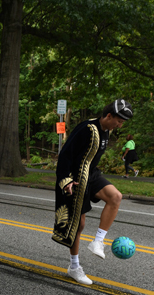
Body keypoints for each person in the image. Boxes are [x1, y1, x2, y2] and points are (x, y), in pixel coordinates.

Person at [52, 99, 133, 285]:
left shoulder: (106, 131)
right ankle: (74, 267)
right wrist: (66, 180)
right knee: (78, 225)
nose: (120, 125)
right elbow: (65, 155)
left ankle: (98, 241)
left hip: (91, 175)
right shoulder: (87, 128)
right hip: (75, 178)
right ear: (109, 115)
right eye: (119, 121)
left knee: (116, 197)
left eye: (122, 123)